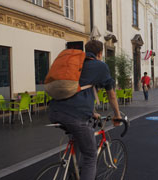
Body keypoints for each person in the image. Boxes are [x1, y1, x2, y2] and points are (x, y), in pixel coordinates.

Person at [49, 40, 122, 180]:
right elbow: (111, 94)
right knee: (90, 156)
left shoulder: (75, 63)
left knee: (75, 146)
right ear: (100, 53)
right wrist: (117, 115)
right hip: (74, 116)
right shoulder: (100, 66)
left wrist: (92, 112)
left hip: (54, 112)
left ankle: (72, 175)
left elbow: (80, 90)